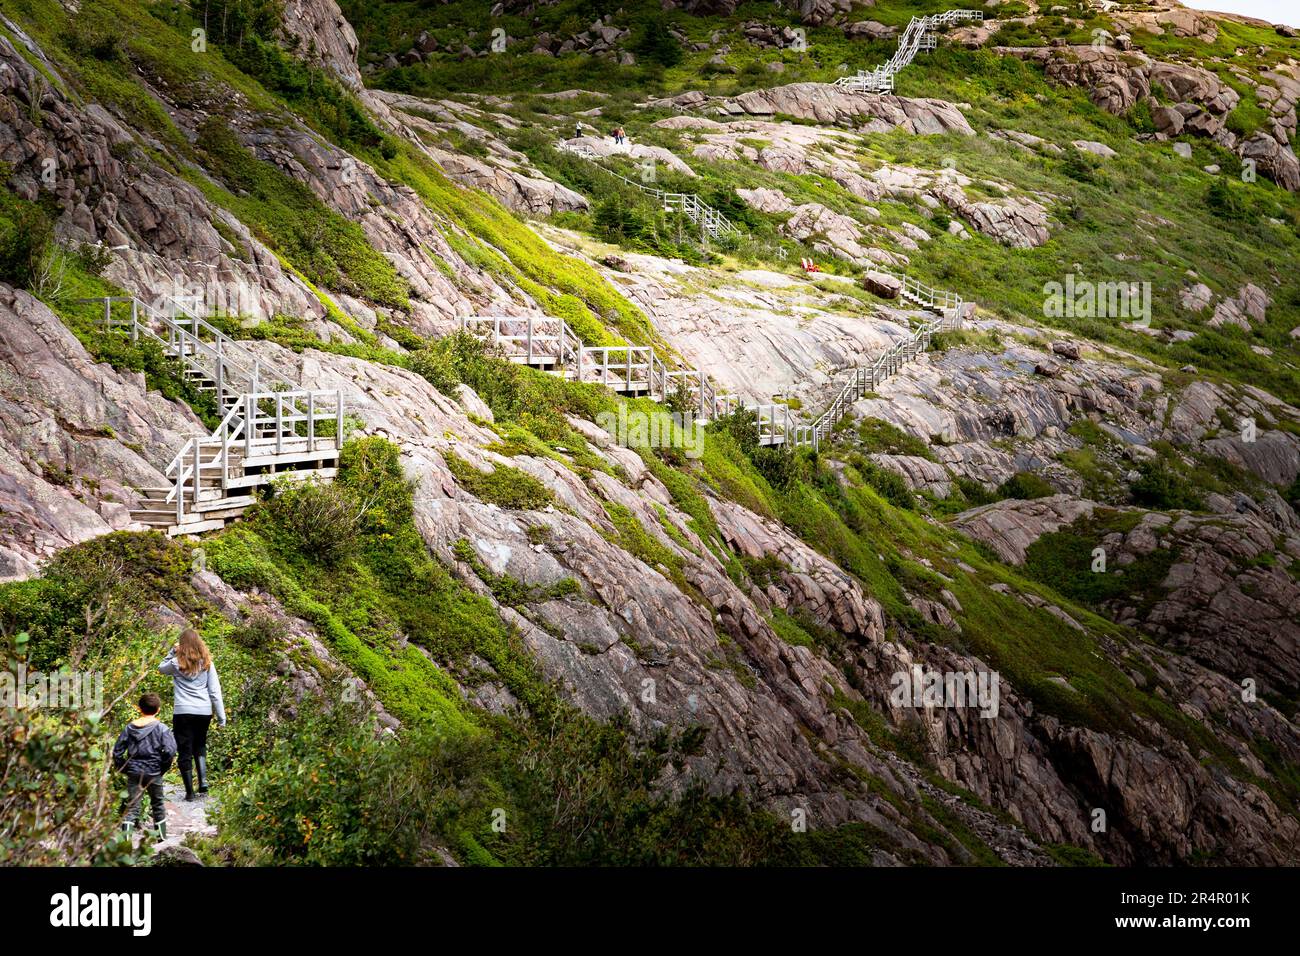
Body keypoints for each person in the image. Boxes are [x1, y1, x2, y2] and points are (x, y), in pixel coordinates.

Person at [159, 628, 226, 801]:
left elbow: (161, 668)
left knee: (184, 749)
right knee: (200, 744)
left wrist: (172, 651)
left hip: (183, 711)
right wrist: (221, 717)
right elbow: (215, 691)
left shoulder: (175, 663)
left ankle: (190, 792)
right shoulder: (207, 663)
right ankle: (203, 781)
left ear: (181, 645)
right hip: (203, 711)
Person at [113, 692, 177, 840]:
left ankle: (125, 843)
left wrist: (124, 768)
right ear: (158, 709)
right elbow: (170, 751)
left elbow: (117, 751)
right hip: (154, 771)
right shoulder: (162, 729)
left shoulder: (129, 728)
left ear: (139, 708)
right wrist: (162, 768)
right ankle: (161, 839)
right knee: (158, 804)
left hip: (134, 771)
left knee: (132, 806)